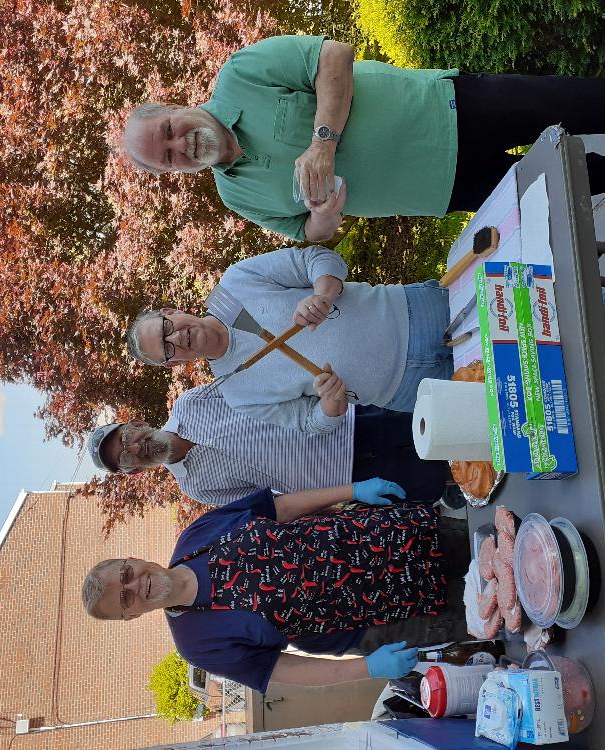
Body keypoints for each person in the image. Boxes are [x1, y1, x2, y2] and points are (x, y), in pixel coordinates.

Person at [120, 35, 605, 241]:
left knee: (555, 104)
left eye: (170, 131)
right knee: (541, 187)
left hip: (443, 108)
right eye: (168, 158)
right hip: (434, 186)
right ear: (174, 173)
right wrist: (325, 213)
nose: (181, 146)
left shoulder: (240, 74)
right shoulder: (234, 196)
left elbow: (334, 56)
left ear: (173, 106)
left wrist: (323, 139)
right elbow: (306, 232)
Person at [81, 481, 471, 692]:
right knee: (493, 612)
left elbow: (279, 508)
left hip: (389, 536)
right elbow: (284, 669)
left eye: (126, 573)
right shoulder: (196, 644)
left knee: (499, 535)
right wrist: (367, 668)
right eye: (125, 597)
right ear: (130, 615)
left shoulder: (194, 536)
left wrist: (352, 491)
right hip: (385, 617)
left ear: (130, 559)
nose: (136, 584)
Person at [126, 245, 452, 433]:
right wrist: (330, 403)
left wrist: (322, 295)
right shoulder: (237, 393)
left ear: (171, 311)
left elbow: (317, 259)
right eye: (168, 348)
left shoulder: (236, 282)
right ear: (174, 363)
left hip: (414, 313)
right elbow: (311, 424)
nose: (178, 338)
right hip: (405, 389)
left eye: (167, 327)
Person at [86, 384, 450, 505]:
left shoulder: (190, 402)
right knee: (444, 478)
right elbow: (273, 503)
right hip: (350, 476)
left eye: (125, 440)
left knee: (445, 424)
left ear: (134, 424)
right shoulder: (194, 487)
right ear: (133, 472)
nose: (135, 449)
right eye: (125, 459)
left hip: (350, 421)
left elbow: (265, 389)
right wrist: (345, 497)